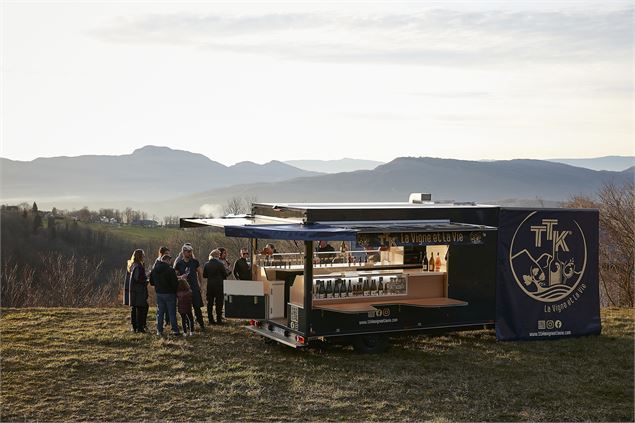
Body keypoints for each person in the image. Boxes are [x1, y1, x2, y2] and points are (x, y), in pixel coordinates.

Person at [174, 243, 205, 331]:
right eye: (188, 252)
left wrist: (200, 284)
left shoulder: (195, 262)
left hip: (194, 287)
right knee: (186, 308)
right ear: (183, 252)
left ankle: (201, 324)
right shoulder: (179, 263)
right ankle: (188, 325)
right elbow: (174, 275)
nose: (190, 253)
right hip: (184, 288)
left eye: (191, 251)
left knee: (197, 306)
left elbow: (200, 272)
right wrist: (180, 277)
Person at [149, 253, 180, 336]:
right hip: (170, 293)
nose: (170, 262)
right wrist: (175, 291)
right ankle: (175, 330)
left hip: (159, 293)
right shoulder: (170, 270)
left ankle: (159, 330)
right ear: (167, 260)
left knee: (160, 312)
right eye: (169, 260)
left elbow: (151, 282)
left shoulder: (154, 269)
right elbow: (175, 283)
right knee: (172, 312)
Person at [123, 249, 149, 333]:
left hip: (133, 291)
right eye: (143, 255)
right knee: (141, 308)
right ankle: (140, 327)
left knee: (135, 309)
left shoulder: (132, 265)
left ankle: (134, 327)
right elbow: (138, 279)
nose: (144, 257)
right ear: (140, 256)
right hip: (138, 291)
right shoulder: (138, 266)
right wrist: (146, 280)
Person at [203, 249, 228, 324]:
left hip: (210, 285)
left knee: (210, 303)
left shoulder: (207, 264)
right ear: (217, 255)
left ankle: (210, 319)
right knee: (219, 303)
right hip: (219, 285)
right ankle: (219, 319)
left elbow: (204, 275)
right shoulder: (220, 264)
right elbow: (224, 275)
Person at [151, 246, 171, 329]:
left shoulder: (166, 261)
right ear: (162, 253)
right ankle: (161, 324)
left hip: (165, 287)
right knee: (161, 308)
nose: (168, 255)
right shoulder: (158, 262)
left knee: (165, 307)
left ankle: (167, 322)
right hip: (161, 288)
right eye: (166, 253)